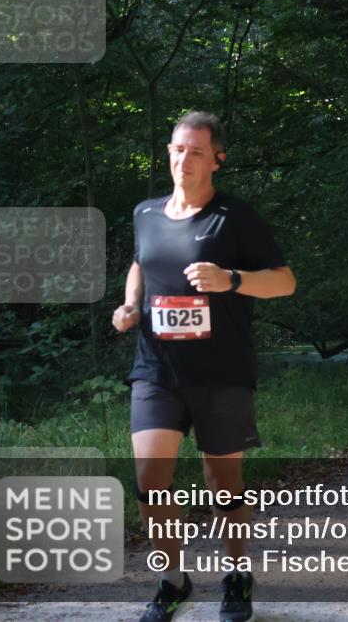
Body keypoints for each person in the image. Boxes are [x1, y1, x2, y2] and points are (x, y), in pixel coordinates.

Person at [112, 111, 296, 622]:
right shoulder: (146, 212)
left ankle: (236, 575)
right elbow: (140, 263)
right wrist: (130, 305)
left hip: (221, 371)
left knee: (222, 480)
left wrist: (230, 279)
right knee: (149, 476)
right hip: (157, 369)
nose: (183, 159)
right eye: (177, 149)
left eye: (196, 151)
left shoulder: (234, 217)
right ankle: (173, 580)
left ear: (217, 159)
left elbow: (284, 281)